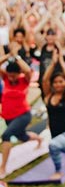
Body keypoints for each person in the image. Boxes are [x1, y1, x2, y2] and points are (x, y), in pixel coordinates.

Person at [0, 49, 43, 178]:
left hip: (23, 115)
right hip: (8, 116)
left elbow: (27, 70)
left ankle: (3, 167)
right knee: (22, 137)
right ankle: (39, 139)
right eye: (10, 75)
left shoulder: (24, 80)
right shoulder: (6, 80)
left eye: (14, 75)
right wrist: (8, 56)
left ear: (18, 74)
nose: (12, 77)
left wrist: (17, 57)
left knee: (6, 135)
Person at [42, 49, 65, 180]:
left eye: (61, 81)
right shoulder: (48, 96)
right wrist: (52, 63)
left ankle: (58, 171)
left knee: (53, 145)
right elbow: (45, 79)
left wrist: (61, 61)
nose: (58, 84)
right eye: (56, 82)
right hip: (57, 134)